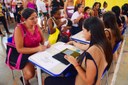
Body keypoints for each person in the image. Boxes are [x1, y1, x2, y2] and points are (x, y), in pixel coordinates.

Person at [44, 17, 113, 85]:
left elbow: (89, 82)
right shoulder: (104, 43)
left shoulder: (93, 52)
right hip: (94, 76)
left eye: (83, 30)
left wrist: (75, 64)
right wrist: (74, 43)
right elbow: (84, 47)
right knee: (68, 68)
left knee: (47, 80)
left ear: (90, 32)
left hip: (81, 82)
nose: (82, 34)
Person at [14, 8, 49, 85]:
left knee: (48, 66)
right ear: (24, 19)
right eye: (32, 18)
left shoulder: (36, 26)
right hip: (25, 54)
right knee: (30, 74)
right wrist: (37, 48)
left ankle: (38, 74)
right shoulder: (19, 29)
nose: (35, 20)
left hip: (37, 52)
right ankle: (25, 79)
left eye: (36, 17)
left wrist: (46, 44)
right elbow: (19, 49)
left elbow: (42, 40)